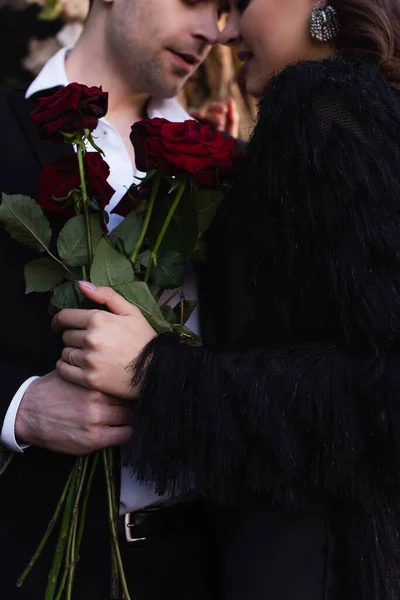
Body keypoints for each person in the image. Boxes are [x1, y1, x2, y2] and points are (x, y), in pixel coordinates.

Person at [54, 0, 400, 599]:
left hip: (313, 559)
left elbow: (381, 390)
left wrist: (154, 371)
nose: (227, 30)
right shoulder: (348, 109)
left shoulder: (325, 111)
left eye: (240, 4)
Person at [0, 1, 235, 599]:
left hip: (197, 564)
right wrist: (15, 408)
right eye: (196, 0)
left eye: (228, 8)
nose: (214, 30)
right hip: (31, 555)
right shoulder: (5, 131)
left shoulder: (225, 169)